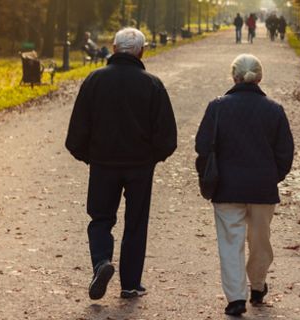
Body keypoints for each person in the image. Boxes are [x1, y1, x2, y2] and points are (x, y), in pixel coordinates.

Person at [65, 27, 177, 301]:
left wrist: (90, 156)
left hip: (103, 163)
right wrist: (152, 158)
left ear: (113, 49)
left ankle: (102, 262)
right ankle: (130, 284)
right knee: (136, 223)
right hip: (140, 165)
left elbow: (76, 132)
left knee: (100, 218)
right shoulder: (152, 84)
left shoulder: (94, 81)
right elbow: (167, 136)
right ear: (142, 51)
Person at [195, 54, 294, 316]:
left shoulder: (217, 107)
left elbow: (202, 147)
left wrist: (208, 175)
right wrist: (273, 176)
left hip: (226, 187)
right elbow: (285, 153)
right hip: (263, 187)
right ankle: (258, 286)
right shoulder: (274, 110)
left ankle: (236, 298)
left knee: (231, 243)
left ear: (234, 76)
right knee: (260, 240)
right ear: (259, 77)